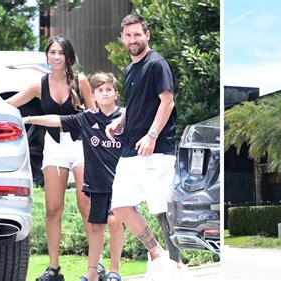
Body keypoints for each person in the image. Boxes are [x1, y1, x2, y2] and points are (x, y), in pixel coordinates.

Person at [7, 35, 96, 281]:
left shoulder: (81, 81)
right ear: (47, 55)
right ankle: (54, 269)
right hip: (54, 147)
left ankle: (94, 267)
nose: (56, 57)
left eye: (61, 52)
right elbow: (10, 105)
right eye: (52, 52)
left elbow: (95, 116)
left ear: (68, 56)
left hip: (80, 146)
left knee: (85, 204)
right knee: (52, 208)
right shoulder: (39, 85)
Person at [23, 72, 126, 281]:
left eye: (109, 90)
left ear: (116, 94)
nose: (105, 94)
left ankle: (115, 270)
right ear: (93, 96)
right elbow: (57, 120)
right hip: (96, 183)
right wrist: (30, 118)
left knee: (115, 222)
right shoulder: (87, 118)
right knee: (96, 225)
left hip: (119, 181)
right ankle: (92, 272)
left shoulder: (125, 117)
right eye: (100, 90)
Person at [105, 13, 182, 270]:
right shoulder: (131, 69)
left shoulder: (156, 64)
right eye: (128, 35)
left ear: (147, 35)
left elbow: (167, 101)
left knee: (162, 209)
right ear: (122, 39)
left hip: (155, 150)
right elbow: (136, 104)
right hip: (130, 150)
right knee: (121, 205)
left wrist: (151, 136)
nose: (133, 39)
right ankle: (157, 252)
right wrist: (119, 122)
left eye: (138, 34)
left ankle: (177, 264)